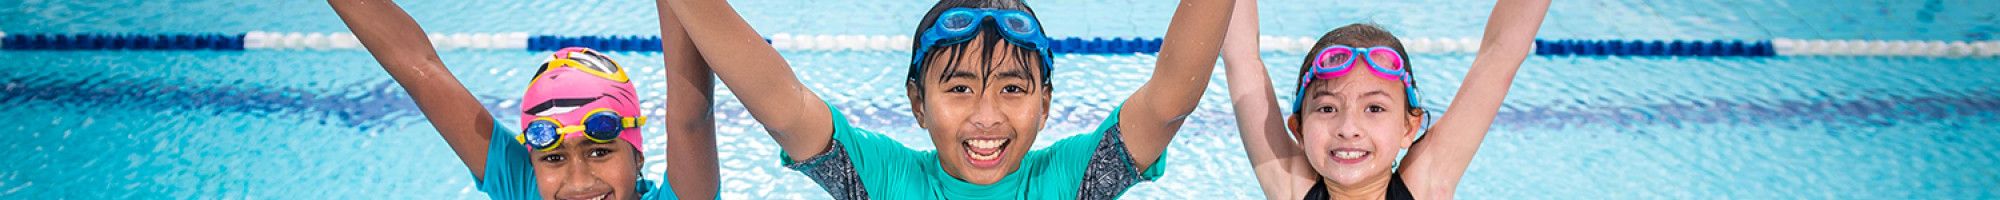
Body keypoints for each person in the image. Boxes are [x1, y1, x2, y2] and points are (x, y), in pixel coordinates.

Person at [657, 0, 1232, 198]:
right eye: (959, 88)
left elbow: (1168, 102)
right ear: (917, 102)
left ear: (1046, 103)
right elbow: (779, 103)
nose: (987, 116)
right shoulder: (882, 181)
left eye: (1013, 88)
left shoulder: (1070, 181)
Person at [330, 0, 718, 199]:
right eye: (553, 158)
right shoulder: (525, 187)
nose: (579, 182)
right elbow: (418, 68)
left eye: (600, 151)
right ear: (532, 162)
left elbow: (691, 115)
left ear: (638, 155)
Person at [1217, 0, 1550, 199]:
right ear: (1299, 129)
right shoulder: (1291, 187)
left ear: (1410, 127)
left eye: (1374, 108)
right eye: (1328, 108)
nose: (1349, 128)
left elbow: (1501, 54)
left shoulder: (1425, 186)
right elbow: (1242, 58)